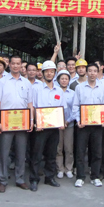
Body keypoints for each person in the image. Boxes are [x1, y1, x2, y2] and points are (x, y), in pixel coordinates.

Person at [0, 55, 32, 193]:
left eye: (18, 63)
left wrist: (31, 120)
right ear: (9, 64)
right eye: (13, 63)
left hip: (22, 122)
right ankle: (2, 180)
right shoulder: (2, 82)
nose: (16, 66)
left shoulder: (26, 83)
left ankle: (20, 179)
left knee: (21, 152)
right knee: (3, 152)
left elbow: (30, 103)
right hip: (6, 121)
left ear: (21, 65)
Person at [30, 60, 65, 191]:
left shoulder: (59, 90)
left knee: (52, 153)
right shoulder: (36, 88)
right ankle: (34, 179)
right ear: (43, 73)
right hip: (40, 127)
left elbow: (61, 108)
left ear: (55, 73)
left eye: (52, 71)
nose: (49, 74)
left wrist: (62, 122)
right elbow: (33, 106)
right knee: (37, 154)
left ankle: (50, 177)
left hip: (54, 127)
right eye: (47, 71)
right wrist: (35, 122)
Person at [73, 63, 104, 187]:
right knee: (80, 151)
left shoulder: (102, 88)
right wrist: (78, 120)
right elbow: (76, 106)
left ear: (98, 73)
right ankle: (80, 177)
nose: (92, 73)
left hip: (97, 126)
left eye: (95, 71)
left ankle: (95, 176)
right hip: (83, 125)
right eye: (90, 71)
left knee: (97, 152)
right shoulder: (79, 88)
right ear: (86, 73)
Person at [56, 70, 75, 179]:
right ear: (58, 80)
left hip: (69, 124)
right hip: (57, 124)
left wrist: (68, 121)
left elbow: (75, 109)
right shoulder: (55, 92)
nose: (64, 80)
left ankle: (69, 168)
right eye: (62, 78)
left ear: (69, 80)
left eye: (66, 79)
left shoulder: (72, 93)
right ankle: (60, 169)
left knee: (68, 148)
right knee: (58, 148)